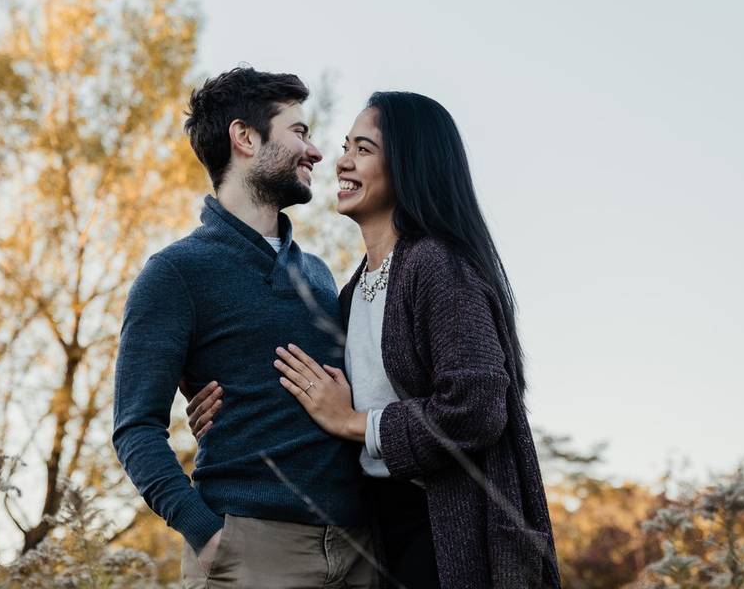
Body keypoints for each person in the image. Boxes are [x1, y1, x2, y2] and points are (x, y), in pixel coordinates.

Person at [187, 92, 563, 588]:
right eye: (346, 146)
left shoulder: (438, 267)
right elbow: (320, 398)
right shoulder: (350, 291)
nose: (341, 159)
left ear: (408, 164)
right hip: (374, 533)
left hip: (446, 529)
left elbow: (476, 407)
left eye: (362, 149)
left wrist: (354, 421)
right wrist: (230, 418)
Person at [112, 67, 377, 589]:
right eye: (299, 132)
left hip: (360, 549)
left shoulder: (322, 275)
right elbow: (135, 427)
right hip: (251, 551)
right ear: (246, 138)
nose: (318, 152)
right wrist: (205, 535)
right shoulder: (176, 272)